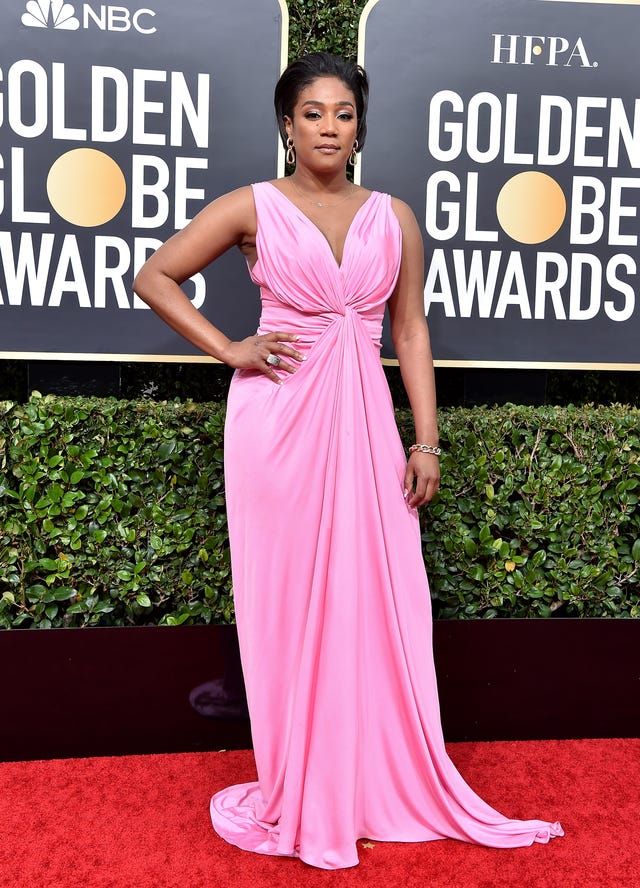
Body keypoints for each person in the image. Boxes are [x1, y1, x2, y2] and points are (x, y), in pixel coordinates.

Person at [133, 52, 563, 871]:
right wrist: (230, 348)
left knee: (377, 595)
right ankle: (301, 783)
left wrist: (425, 438)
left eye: (343, 114)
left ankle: (368, 778)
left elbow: (409, 334)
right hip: (277, 424)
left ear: (360, 126)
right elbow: (155, 275)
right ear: (286, 125)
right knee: (287, 600)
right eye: (312, 114)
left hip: (367, 424)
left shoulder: (394, 217)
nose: (329, 127)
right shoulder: (251, 208)